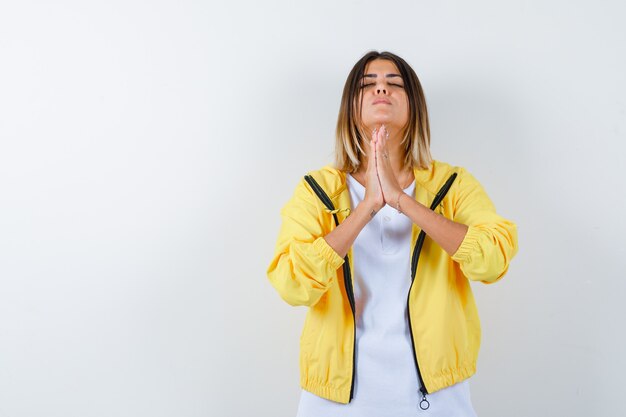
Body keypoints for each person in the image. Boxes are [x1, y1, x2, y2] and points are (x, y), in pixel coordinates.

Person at [266, 50, 519, 417]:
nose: (381, 89)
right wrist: (367, 207)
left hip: (437, 399)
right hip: (333, 403)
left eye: (394, 83)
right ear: (350, 107)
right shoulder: (317, 189)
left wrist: (402, 201)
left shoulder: (453, 184)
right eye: (368, 84)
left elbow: (493, 259)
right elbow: (291, 283)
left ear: (413, 105)